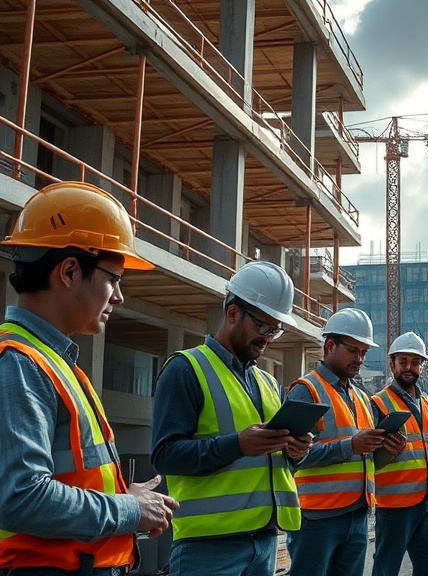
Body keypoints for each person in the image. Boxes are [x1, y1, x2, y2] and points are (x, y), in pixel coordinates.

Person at [0, 181, 178, 574]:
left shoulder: (52, 362)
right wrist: (128, 508)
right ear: (68, 271)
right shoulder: (21, 364)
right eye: (114, 278)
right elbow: (21, 497)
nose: (119, 296)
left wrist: (124, 497)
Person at [151, 260, 311, 575]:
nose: (268, 337)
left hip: (264, 542)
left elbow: (275, 465)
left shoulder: (268, 384)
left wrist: (296, 452)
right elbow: (164, 456)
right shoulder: (185, 369)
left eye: (275, 330)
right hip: (207, 548)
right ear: (233, 313)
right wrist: (237, 445)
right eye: (263, 327)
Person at [285, 308, 403, 576]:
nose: (359, 359)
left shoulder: (361, 397)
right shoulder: (306, 390)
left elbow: (365, 460)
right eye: (353, 351)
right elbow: (291, 457)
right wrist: (350, 445)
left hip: (357, 515)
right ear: (330, 346)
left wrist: (387, 452)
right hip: (317, 518)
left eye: (363, 352)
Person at [370, 331, 428, 576]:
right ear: (392, 364)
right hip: (395, 505)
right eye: (403, 361)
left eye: (415, 362)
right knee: (386, 568)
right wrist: (386, 451)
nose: (409, 368)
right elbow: (367, 458)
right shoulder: (377, 403)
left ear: (422, 366)